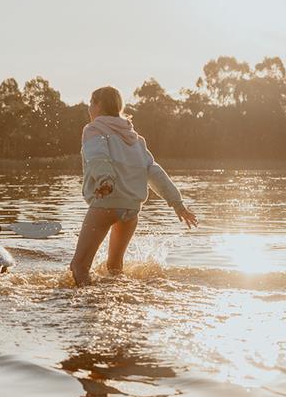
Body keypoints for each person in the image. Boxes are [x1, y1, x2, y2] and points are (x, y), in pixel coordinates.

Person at [70, 86, 197, 286]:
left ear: (98, 105)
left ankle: (88, 305)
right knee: (114, 267)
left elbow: (98, 158)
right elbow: (154, 172)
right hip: (131, 209)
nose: (89, 108)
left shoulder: (93, 129)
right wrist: (177, 204)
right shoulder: (136, 139)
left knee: (79, 266)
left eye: (90, 103)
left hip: (106, 203)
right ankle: (120, 297)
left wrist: (106, 182)